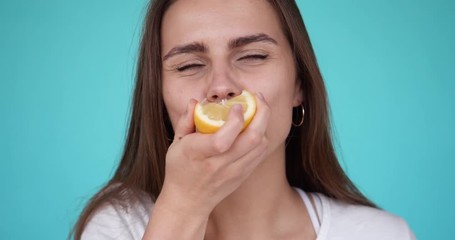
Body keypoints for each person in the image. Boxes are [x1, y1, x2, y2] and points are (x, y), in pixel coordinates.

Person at [71, 0, 416, 239]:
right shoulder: (120, 226)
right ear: (159, 97)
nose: (221, 87)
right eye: (190, 65)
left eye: (252, 56)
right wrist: (182, 209)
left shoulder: (382, 235)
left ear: (299, 85)